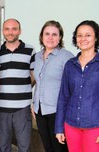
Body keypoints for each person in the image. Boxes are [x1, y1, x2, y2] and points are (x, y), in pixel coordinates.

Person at [55, 20, 99, 152]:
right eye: (79, 35)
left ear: (96, 37)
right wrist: (59, 128)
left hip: (94, 126)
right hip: (71, 125)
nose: (83, 39)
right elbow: (63, 97)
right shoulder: (70, 64)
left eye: (88, 35)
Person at [31, 20, 74, 152]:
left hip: (58, 111)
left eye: (54, 34)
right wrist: (33, 102)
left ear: (60, 37)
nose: (50, 37)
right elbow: (36, 81)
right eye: (47, 34)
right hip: (39, 110)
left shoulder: (66, 57)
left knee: (59, 148)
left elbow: (73, 86)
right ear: (41, 36)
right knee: (48, 147)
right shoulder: (36, 57)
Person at [0, 18, 35, 152]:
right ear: (3, 31)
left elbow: (33, 77)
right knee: (4, 147)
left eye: (14, 29)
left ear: (20, 31)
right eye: (7, 29)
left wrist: (22, 89)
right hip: (1, 108)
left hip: (22, 109)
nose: (10, 32)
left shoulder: (30, 50)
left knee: (24, 147)